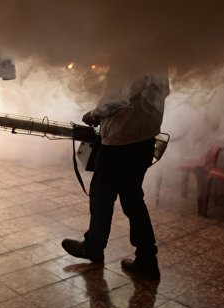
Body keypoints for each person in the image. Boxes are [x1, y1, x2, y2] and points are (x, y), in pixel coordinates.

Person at [61, 64, 169, 280]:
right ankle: (146, 258)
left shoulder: (128, 56)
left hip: (121, 140)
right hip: (144, 141)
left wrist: (93, 114)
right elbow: (162, 93)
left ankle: (93, 247)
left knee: (102, 196)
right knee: (132, 199)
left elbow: (116, 99)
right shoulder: (159, 59)